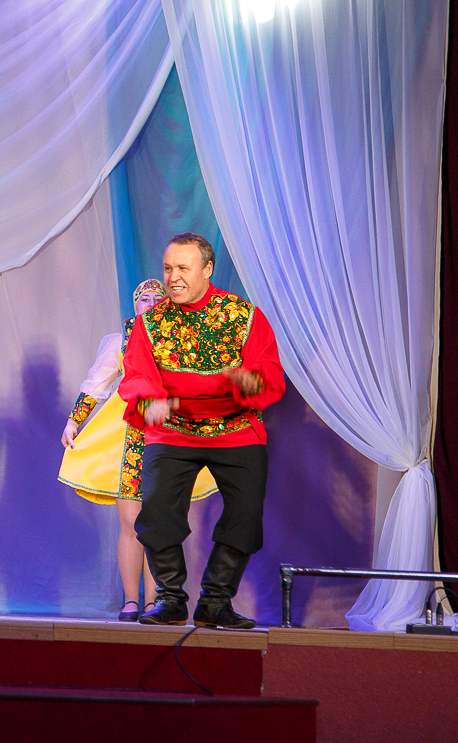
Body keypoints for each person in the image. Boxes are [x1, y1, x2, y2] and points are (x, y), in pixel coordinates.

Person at [118, 233, 285, 629]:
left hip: (235, 428)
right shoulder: (150, 323)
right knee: (157, 512)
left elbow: (270, 375)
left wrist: (249, 382)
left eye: (183, 268)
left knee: (246, 514)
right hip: (174, 431)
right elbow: (137, 378)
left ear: (207, 269)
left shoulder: (244, 317)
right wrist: (150, 403)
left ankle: (215, 601)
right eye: (167, 268)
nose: (173, 277)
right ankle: (170, 599)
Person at [59, 280, 219, 622]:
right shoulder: (122, 341)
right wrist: (74, 420)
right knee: (131, 523)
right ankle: (131, 600)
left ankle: (155, 601)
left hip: (170, 438)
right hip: (131, 442)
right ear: (135, 306)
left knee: (161, 523)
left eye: (158, 298)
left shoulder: (182, 340)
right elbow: (97, 386)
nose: (151, 302)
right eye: (144, 298)